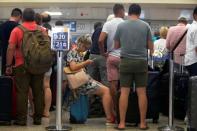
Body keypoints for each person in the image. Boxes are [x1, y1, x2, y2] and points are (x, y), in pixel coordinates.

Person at [114, 4, 153, 130]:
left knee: (124, 92)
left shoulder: (121, 25)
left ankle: (122, 123)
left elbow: (116, 45)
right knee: (142, 92)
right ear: (139, 13)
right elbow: (150, 47)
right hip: (141, 61)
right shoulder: (145, 25)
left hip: (125, 61)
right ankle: (142, 123)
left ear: (128, 13)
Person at [6, 8, 47, 126]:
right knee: (38, 92)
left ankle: (21, 119)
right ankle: (38, 118)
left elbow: (10, 48)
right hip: (39, 65)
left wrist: (8, 65)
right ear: (34, 18)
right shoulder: (42, 30)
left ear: (22, 17)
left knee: (22, 92)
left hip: (21, 65)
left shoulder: (17, 30)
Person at [66, 35, 115, 125]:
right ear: (81, 43)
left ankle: (111, 115)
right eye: (85, 47)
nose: (85, 49)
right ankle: (109, 117)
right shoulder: (73, 53)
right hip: (80, 84)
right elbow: (73, 67)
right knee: (106, 91)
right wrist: (86, 62)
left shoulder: (78, 53)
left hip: (81, 81)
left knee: (105, 90)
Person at [99, 4, 125, 112]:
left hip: (112, 57)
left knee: (113, 83)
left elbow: (100, 40)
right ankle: (123, 106)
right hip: (124, 58)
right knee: (124, 84)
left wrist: (102, 53)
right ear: (122, 11)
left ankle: (115, 107)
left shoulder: (108, 24)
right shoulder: (126, 24)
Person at [0, 8, 22, 75]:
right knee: (15, 82)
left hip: (4, 58)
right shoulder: (19, 28)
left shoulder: (1, 26)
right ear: (19, 16)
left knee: (6, 82)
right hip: (16, 59)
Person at [185, 6, 197, 77]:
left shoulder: (191, 26)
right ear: (195, 15)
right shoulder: (196, 28)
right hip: (194, 61)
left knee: (191, 85)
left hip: (190, 60)